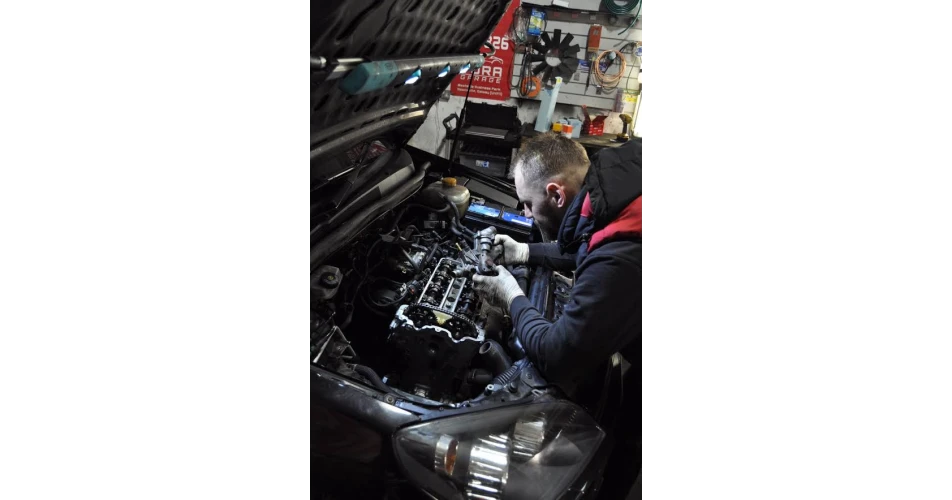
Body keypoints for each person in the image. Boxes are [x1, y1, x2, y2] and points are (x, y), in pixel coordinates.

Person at [472, 132, 647, 498]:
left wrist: (511, 296)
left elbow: (558, 355)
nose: (524, 214)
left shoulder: (627, 250)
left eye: (527, 204)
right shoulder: (617, 187)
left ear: (555, 194)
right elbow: (592, 243)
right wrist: (525, 252)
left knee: (633, 433)